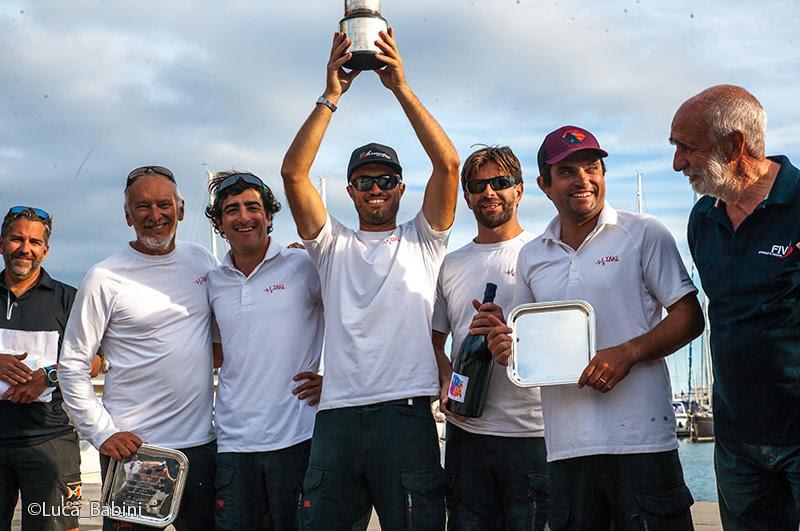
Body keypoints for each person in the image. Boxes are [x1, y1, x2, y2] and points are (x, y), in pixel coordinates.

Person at [478, 126, 704, 530]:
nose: (583, 179)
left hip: (643, 444)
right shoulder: (532, 255)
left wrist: (628, 353)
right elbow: (529, 346)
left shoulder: (644, 232)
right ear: (545, 185)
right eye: (567, 171)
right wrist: (505, 346)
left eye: (591, 167)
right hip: (566, 450)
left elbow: (690, 317)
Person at [280, 29, 460, 530]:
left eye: (385, 180)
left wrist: (398, 85)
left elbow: (448, 163)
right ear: (351, 191)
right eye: (364, 182)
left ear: (401, 187)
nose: (375, 188)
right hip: (337, 418)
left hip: (405, 418)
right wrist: (332, 95)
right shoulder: (332, 244)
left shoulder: (424, 239)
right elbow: (294, 174)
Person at [58, 166, 219, 531]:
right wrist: (102, 433)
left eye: (164, 204)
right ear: (127, 216)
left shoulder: (203, 261)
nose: (155, 215)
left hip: (201, 447)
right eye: (142, 206)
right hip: (134, 452)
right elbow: (71, 365)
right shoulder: (104, 277)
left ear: (181, 209)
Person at [671, 84, 800, 530]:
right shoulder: (702, 221)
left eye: (686, 148)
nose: (677, 163)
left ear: (734, 145)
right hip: (737, 441)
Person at [431, 146, 548, 530]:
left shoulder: (542, 254)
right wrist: (447, 376)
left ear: (520, 190)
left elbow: (562, 342)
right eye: (478, 186)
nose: (489, 193)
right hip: (467, 434)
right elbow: (435, 339)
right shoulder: (452, 262)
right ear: (466, 197)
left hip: (532, 434)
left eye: (500, 183)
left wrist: (515, 343)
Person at [204, 171, 324, 531]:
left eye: (253, 207)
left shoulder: (303, 264)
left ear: (269, 215)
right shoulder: (214, 280)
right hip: (233, 442)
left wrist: (336, 380)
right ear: (220, 223)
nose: (243, 217)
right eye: (232, 210)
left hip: (298, 437)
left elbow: (354, 322)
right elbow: (217, 352)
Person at [0, 206, 93, 531]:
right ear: (1, 243)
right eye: (16, 239)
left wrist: (48, 376)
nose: (25, 248)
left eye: (34, 242)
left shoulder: (69, 299)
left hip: (50, 441)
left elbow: (95, 360)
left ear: (46, 250)